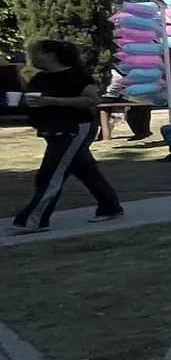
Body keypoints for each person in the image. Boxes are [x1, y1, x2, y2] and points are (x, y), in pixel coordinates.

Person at [12, 40, 124, 231]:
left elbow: (92, 100)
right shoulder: (39, 78)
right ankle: (110, 206)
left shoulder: (76, 75)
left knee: (51, 173)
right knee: (84, 168)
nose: (33, 57)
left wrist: (53, 101)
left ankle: (34, 220)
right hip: (51, 129)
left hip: (74, 128)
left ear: (50, 55)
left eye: (37, 53)